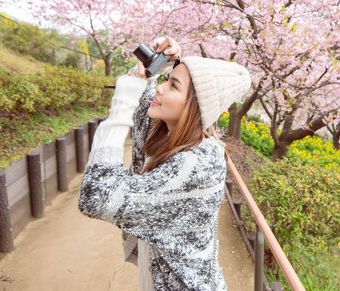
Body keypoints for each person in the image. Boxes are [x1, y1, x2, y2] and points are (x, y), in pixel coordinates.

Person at [78, 37, 251, 291]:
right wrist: (152, 68)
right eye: (166, 79)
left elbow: (98, 197)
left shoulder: (198, 164)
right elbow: (141, 107)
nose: (161, 88)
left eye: (173, 86)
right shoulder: (167, 134)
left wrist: (121, 104)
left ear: (195, 106)